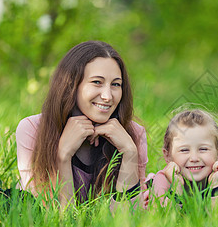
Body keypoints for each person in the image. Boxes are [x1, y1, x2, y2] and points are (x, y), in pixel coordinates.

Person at [16, 41, 147, 211]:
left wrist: (129, 153)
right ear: (71, 84)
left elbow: (128, 221)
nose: (108, 96)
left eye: (116, 84)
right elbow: (54, 218)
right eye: (97, 82)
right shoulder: (32, 130)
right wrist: (63, 155)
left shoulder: (133, 133)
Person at [148, 109, 218, 207]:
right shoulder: (163, 180)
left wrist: (216, 186)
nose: (194, 158)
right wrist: (176, 189)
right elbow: (163, 219)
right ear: (168, 156)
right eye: (184, 150)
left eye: (203, 149)